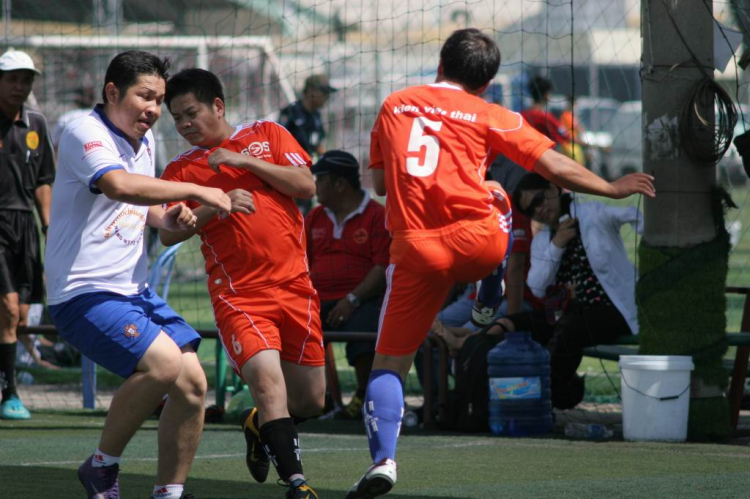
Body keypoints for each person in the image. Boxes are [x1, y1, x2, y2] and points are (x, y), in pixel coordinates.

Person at [346, 28, 655, 499]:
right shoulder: (491, 113)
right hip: (479, 242)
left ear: (440, 65)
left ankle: (384, 460)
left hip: (414, 250)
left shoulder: (396, 104)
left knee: (388, 366)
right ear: (487, 83)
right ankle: (489, 293)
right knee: (496, 191)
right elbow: (552, 165)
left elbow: (381, 189)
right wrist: (612, 187)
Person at [45, 51, 232, 499]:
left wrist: (169, 219)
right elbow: (118, 185)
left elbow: (139, 205)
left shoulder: (144, 140)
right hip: (83, 293)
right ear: (112, 92)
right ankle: (101, 467)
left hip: (134, 291)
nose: (153, 109)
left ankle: (169, 493)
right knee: (165, 364)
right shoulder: (81, 130)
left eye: (158, 99)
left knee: (192, 386)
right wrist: (195, 187)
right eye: (144, 96)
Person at [159, 68, 324, 499]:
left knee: (310, 402)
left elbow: (306, 183)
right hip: (240, 295)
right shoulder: (179, 170)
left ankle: (256, 424)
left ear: (218, 105)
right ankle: (298, 484)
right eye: (176, 118)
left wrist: (243, 161)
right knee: (270, 385)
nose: (184, 124)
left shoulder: (268, 133)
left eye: (190, 112)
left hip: (296, 287)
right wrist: (218, 205)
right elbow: (168, 233)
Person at [482, 172, 641, 409]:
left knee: (571, 328)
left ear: (554, 189)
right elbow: (537, 287)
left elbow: (632, 214)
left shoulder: (592, 213)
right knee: (511, 323)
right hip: (565, 314)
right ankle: (498, 395)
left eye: (539, 200)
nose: (539, 211)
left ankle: (542, 397)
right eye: (530, 210)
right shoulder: (545, 239)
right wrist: (557, 244)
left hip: (610, 310)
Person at [305, 150, 390, 419]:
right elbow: (300, 261)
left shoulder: (378, 215)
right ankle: (318, 399)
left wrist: (351, 299)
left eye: (320, 179)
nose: (314, 185)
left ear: (340, 184)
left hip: (363, 298)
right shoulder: (314, 217)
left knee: (363, 329)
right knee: (297, 327)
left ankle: (365, 397)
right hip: (318, 299)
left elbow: (381, 268)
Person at [0, 49, 55, 421]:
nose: (20, 86)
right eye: (13, 79)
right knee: (6, 309)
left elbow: (43, 181)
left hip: (25, 229)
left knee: (20, 316)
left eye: (26, 79)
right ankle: (11, 394)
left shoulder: (36, 124)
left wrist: (49, 226)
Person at [279, 74, 337, 214]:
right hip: (287, 177)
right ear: (311, 91)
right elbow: (276, 143)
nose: (326, 97)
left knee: (304, 217)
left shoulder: (316, 116)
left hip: (305, 177)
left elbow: (318, 146)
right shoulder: (291, 113)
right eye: (323, 92)